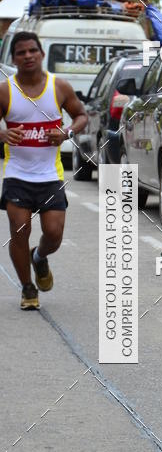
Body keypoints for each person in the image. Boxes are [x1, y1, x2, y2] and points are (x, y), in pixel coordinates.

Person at [0, 31, 88, 309]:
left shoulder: (59, 87)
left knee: (53, 233)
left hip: (50, 176)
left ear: (42, 54)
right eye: (21, 53)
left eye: (32, 51)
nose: (28, 56)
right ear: (14, 58)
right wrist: (3, 134)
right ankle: (28, 289)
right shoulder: (5, 91)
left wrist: (66, 132)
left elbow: (81, 115)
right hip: (17, 174)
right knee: (19, 230)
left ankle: (38, 257)